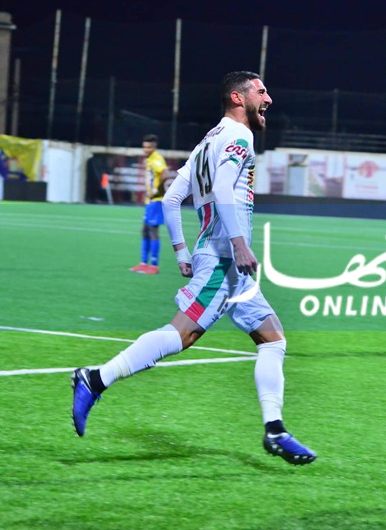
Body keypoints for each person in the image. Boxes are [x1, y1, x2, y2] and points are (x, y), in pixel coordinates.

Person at [71, 71, 316, 465]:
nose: (269, 98)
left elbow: (172, 198)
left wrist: (182, 251)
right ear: (238, 98)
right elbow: (221, 189)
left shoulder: (207, 142)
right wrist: (238, 243)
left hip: (225, 263)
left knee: (272, 340)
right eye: (261, 91)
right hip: (223, 258)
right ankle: (95, 378)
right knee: (181, 334)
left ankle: (275, 430)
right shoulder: (239, 136)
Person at [129, 134, 168, 274]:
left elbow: (165, 174)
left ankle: (154, 266)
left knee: (153, 231)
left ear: (154, 147)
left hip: (156, 201)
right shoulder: (149, 159)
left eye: (149, 147)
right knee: (145, 231)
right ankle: (143, 263)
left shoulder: (157, 159)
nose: (146, 150)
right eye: (144, 147)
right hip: (150, 201)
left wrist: (155, 192)